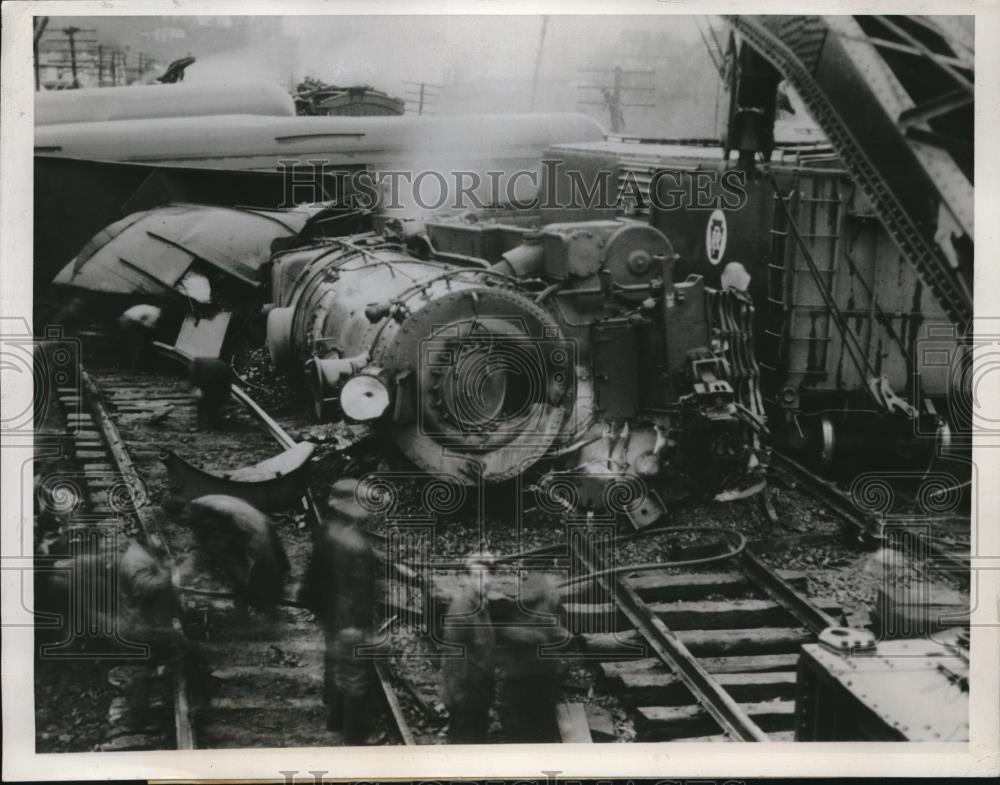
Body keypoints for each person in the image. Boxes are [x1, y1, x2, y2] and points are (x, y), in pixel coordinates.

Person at [300, 478, 378, 744]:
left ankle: (333, 712)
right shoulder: (355, 543)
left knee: (334, 656)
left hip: (329, 606)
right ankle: (354, 737)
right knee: (356, 676)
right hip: (349, 614)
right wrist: (359, 625)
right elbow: (361, 589)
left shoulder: (327, 528)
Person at [493, 572, 570, 743]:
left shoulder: (542, 611)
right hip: (533, 675)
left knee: (527, 719)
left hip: (530, 676)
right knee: (534, 718)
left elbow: (541, 638)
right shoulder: (546, 605)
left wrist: (503, 632)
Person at [184, 495, 290, 614]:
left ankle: (266, 606)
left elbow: (243, 558)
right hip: (243, 524)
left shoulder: (216, 515)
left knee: (264, 570)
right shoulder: (201, 508)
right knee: (244, 575)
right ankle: (250, 605)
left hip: (253, 528)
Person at [438, 553, 497, 744]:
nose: (485, 581)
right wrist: (461, 700)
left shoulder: (481, 605)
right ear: (467, 578)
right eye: (478, 576)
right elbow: (454, 660)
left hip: (479, 696)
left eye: (488, 575)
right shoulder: (463, 608)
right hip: (466, 698)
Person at [189, 357, 233, 430]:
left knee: (203, 403)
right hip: (223, 372)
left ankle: (202, 426)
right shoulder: (200, 363)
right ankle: (215, 424)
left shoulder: (195, 366)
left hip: (214, 377)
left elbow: (196, 382)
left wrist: (195, 388)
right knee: (215, 402)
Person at [118, 304, 163, 371]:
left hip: (122, 319)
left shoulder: (149, 307)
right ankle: (134, 370)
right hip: (130, 322)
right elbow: (146, 325)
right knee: (137, 346)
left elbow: (142, 322)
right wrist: (154, 329)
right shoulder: (156, 313)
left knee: (128, 344)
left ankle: (123, 367)